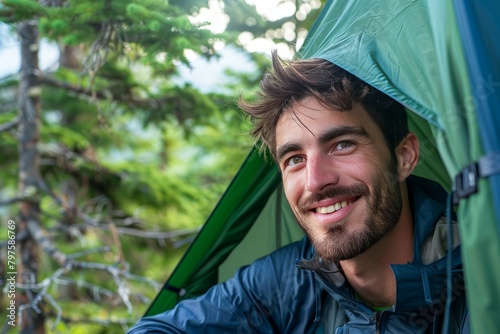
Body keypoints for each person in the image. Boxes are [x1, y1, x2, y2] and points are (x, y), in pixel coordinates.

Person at [127, 51, 469, 333]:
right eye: (294, 159)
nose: (315, 181)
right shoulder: (290, 281)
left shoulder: (479, 271)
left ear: (403, 156)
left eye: (342, 144)